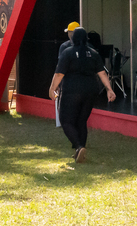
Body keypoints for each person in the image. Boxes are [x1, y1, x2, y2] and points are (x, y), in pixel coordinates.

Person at [49, 28, 115, 163]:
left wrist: (52, 88)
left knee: (66, 120)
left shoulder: (67, 53)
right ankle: (80, 150)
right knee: (81, 120)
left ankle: (79, 147)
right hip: (91, 90)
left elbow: (59, 74)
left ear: (73, 39)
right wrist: (109, 89)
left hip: (72, 90)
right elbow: (102, 73)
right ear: (86, 39)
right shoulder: (94, 53)